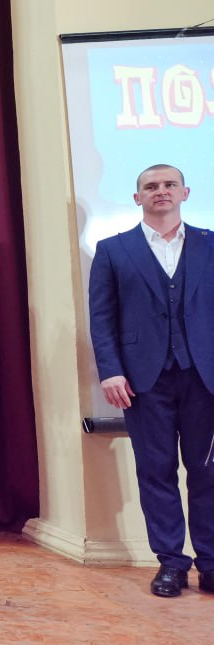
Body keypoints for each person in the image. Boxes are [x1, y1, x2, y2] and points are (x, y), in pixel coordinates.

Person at [88, 163, 214, 598]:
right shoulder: (113, 250)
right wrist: (110, 370)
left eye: (169, 184)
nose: (161, 190)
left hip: (205, 379)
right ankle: (171, 564)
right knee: (156, 472)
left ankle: (211, 562)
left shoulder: (210, 244)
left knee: (208, 473)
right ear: (137, 197)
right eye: (151, 186)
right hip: (143, 382)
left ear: (185, 192)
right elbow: (102, 318)